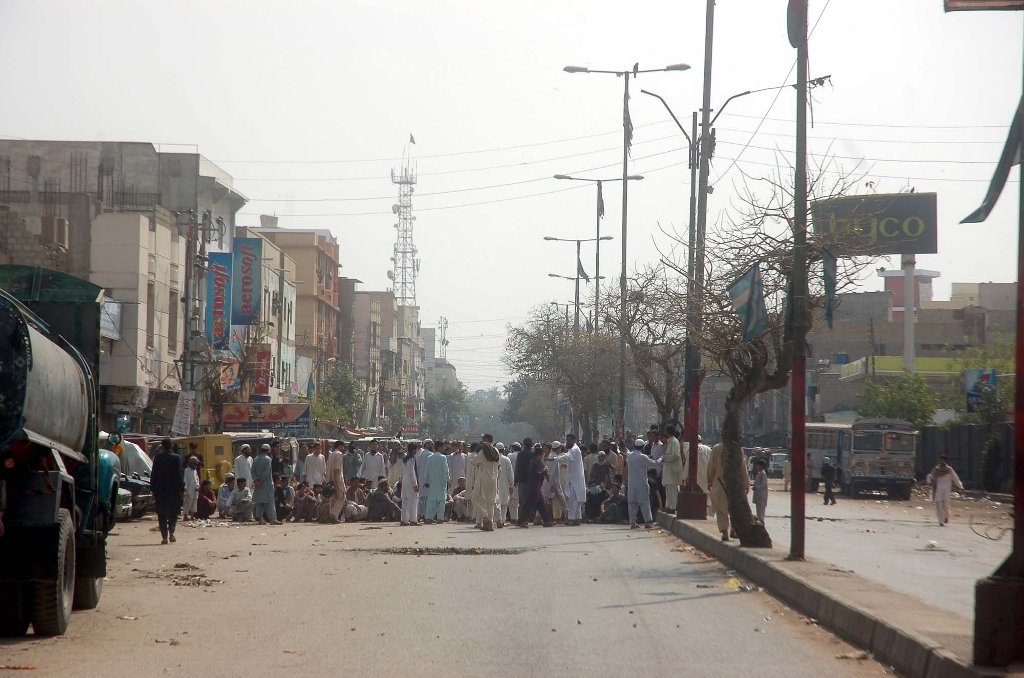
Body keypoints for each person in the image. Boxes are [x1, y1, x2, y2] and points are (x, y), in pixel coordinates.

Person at [707, 442, 750, 541]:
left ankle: (724, 532)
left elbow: (711, 466)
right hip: (734, 484)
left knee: (721, 510)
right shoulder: (738, 448)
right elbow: (743, 468)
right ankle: (733, 530)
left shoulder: (716, 448)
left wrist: (709, 480)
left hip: (719, 483)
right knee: (734, 508)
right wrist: (746, 483)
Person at [150, 438, 184, 544]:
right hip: (174, 490)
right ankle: (172, 532)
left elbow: (154, 474)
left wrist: (153, 490)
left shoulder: (158, 458)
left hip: (161, 490)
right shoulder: (177, 458)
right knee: (174, 512)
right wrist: (182, 489)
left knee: (162, 514)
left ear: (163, 447)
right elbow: (180, 475)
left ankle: (164, 537)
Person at [626, 439, 662, 529]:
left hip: (632, 484)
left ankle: (633, 522)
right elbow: (654, 463)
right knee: (644, 503)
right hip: (641, 483)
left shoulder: (630, 456)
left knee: (632, 502)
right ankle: (647, 522)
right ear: (642, 447)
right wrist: (662, 458)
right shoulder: (642, 457)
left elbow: (626, 451)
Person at [552, 433, 586, 526]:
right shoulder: (573, 449)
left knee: (573, 500)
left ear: (573, 440)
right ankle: (577, 519)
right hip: (575, 478)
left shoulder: (574, 450)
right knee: (576, 500)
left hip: (575, 479)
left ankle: (571, 519)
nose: (567, 442)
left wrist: (554, 459)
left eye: (568, 440)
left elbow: (567, 457)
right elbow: (567, 455)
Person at [469, 434, 501, 531]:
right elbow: (498, 465)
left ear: (486, 440)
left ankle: (485, 515)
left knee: (474, 499)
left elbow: (473, 462)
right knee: (490, 503)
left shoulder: (482, 452)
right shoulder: (496, 451)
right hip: (493, 480)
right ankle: (489, 524)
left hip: (483, 479)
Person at [521, 443, 553, 527]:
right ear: (539, 455)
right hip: (533, 488)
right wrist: (544, 471)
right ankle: (522, 521)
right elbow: (536, 474)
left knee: (541, 505)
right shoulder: (534, 462)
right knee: (528, 505)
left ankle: (546, 521)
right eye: (542, 454)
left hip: (537, 487)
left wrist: (545, 472)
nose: (543, 456)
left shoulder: (539, 462)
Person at [926, 455, 964, 526]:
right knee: (938, 504)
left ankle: (946, 517)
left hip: (946, 490)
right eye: (940, 460)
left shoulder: (949, 469)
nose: (941, 461)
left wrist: (960, 486)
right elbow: (930, 476)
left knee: (945, 505)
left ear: (946, 461)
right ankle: (941, 521)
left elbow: (955, 478)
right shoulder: (936, 469)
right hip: (938, 490)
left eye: (942, 460)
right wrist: (929, 482)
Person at [251, 444, 281, 525]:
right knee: (270, 501)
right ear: (268, 450)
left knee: (259, 501)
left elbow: (252, 471)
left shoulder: (256, 459)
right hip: (266, 483)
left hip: (258, 484)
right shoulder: (268, 459)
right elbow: (267, 472)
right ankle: (272, 519)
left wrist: (256, 480)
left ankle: (260, 518)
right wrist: (261, 481)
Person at [423, 445, 451, 524]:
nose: (444, 448)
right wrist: (448, 480)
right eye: (442, 447)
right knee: (441, 501)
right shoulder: (443, 457)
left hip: (432, 482)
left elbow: (426, 470)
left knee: (431, 501)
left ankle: (428, 517)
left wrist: (426, 481)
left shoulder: (430, 457)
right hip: (441, 482)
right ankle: (439, 518)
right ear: (439, 448)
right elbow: (446, 470)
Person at [660, 425, 684, 513]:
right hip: (669, 469)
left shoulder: (674, 442)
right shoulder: (669, 442)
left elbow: (675, 455)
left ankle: (673, 507)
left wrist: (665, 458)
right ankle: (668, 506)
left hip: (673, 470)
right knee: (668, 488)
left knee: (673, 489)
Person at [324, 441, 347, 523]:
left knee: (333, 499)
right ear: (340, 446)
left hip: (329, 480)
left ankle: (333, 516)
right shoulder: (339, 454)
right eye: (343, 447)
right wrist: (336, 482)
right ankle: (333, 515)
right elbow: (337, 469)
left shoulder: (331, 455)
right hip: (337, 479)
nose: (343, 449)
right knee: (341, 497)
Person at [513, 437, 534, 524]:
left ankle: (523, 519)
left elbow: (517, 468)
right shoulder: (533, 454)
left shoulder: (520, 455)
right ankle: (530, 517)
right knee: (530, 500)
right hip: (531, 481)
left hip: (521, 481)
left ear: (524, 445)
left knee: (522, 501)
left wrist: (515, 480)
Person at [400, 443, 420, 526]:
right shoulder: (411, 459)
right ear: (413, 449)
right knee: (413, 500)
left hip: (404, 480)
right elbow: (411, 472)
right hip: (410, 481)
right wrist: (415, 484)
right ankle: (413, 520)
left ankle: (404, 520)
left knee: (405, 501)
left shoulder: (405, 458)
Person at [497, 444, 514, 527]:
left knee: (496, 503)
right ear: (503, 450)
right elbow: (510, 473)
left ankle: (496, 520)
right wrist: (512, 483)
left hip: (495, 484)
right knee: (504, 503)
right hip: (505, 484)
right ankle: (502, 520)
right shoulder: (506, 459)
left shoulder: (493, 459)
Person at [183, 456, 200, 520]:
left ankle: (192, 516)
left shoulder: (195, 470)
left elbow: (197, 479)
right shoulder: (187, 470)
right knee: (188, 502)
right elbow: (185, 480)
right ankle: (185, 516)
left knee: (194, 502)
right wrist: (185, 489)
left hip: (195, 489)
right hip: (189, 490)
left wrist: (198, 485)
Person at [752, 458, 768, 524]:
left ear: (762, 466)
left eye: (758, 465)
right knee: (758, 511)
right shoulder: (759, 474)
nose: (757, 467)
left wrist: (756, 487)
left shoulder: (763, 474)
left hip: (761, 495)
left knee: (761, 512)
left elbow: (763, 484)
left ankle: (761, 524)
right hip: (758, 495)